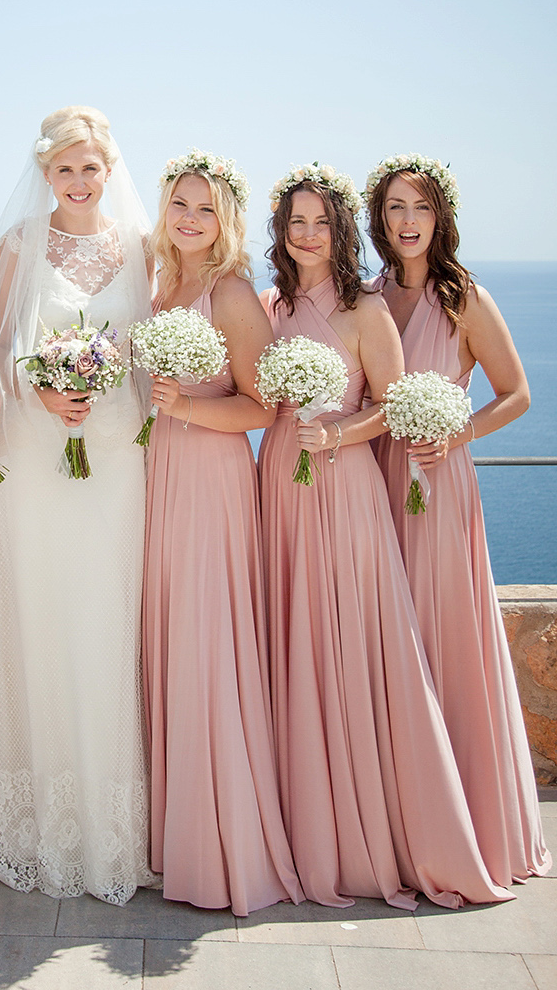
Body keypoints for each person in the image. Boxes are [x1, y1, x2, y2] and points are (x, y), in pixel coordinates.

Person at [258, 163, 511, 909]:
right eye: (294, 223)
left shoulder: (374, 306)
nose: (307, 234)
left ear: (340, 229)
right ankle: (309, 816)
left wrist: (337, 437)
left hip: (362, 482)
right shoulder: (272, 306)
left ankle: (403, 823)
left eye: (319, 222)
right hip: (282, 484)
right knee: (299, 639)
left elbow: (394, 402)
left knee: (375, 648)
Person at [0, 106, 155, 904]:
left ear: (110, 170)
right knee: (46, 614)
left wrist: (106, 390)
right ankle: (48, 824)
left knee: (109, 618)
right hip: (42, 455)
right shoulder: (18, 246)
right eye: (65, 170)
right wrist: (44, 391)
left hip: (119, 455)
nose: (80, 182)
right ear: (45, 173)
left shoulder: (143, 249)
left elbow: (154, 350)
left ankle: (116, 828)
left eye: (92, 168)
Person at [365, 154, 550, 884]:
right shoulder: (370, 296)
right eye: (394, 209)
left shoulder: (463, 296)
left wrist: (456, 434)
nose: (407, 222)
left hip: (440, 488)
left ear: (441, 217)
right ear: (379, 222)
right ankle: (398, 821)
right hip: (377, 480)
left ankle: (463, 823)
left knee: (440, 635)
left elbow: (518, 394)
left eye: (420, 208)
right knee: (389, 642)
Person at [141, 151, 301, 915]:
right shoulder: (154, 280)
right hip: (156, 474)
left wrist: (183, 410)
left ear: (226, 219)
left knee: (206, 643)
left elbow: (261, 408)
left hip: (210, 474)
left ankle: (220, 842)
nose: (191, 219)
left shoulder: (231, 293)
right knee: (166, 638)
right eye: (181, 203)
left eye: (206, 209)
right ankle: (170, 835)